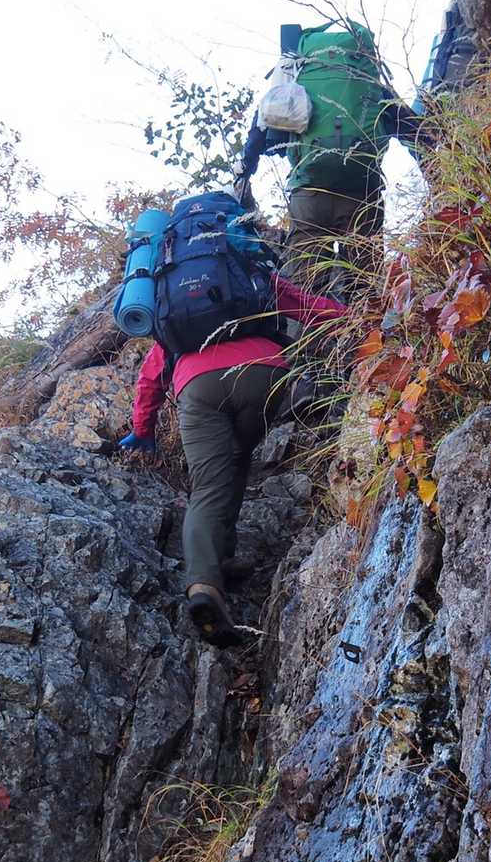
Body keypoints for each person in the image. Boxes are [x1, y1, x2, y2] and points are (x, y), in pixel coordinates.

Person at [117, 274, 347, 645]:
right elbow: (304, 304)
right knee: (237, 459)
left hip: (198, 384)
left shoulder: (172, 297)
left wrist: (143, 429)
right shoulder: (245, 269)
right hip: (264, 374)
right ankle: (222, 558)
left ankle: (204, 586)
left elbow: (151, 374)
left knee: (209, 485)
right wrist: (358, 319)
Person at [233, 21, 424, 296]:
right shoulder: (370, 88)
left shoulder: (294, 86)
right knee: (364, 290)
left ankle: (313, 323)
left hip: (309, 196)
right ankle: (363, 321)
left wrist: (246, 171)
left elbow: (258, 134)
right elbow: (418, 133)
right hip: (362, 194)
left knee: (307, 294)